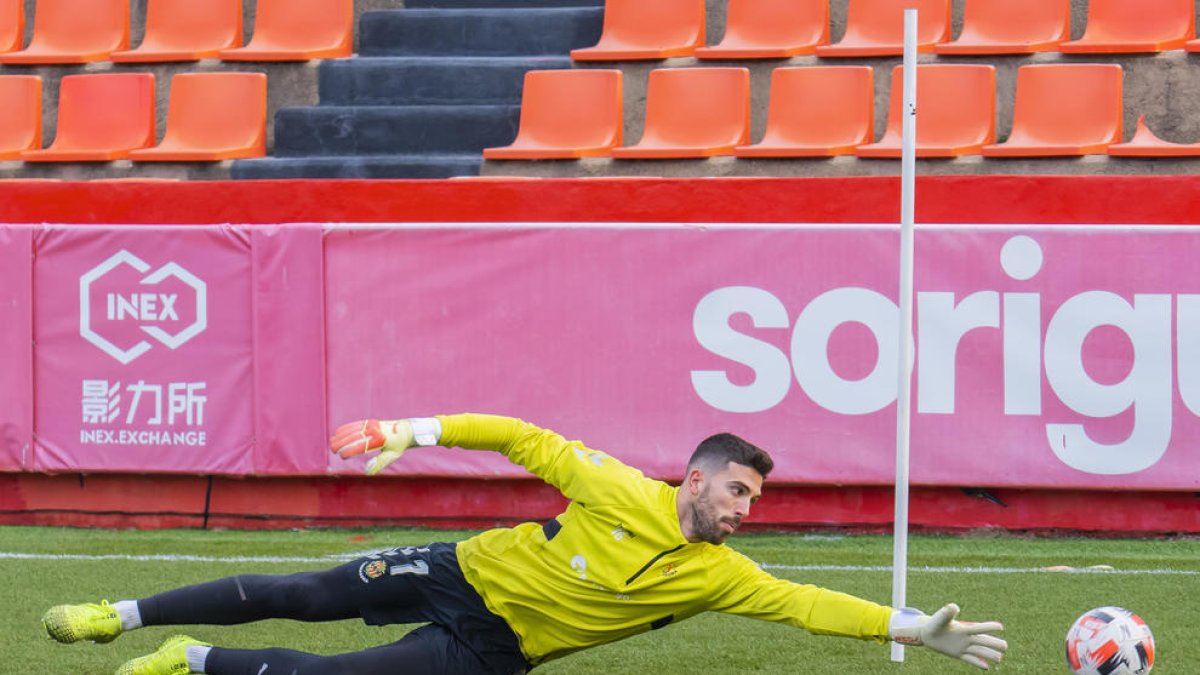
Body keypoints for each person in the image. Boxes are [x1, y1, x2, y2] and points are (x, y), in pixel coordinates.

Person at [42, 413, 1008, 674]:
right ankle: (115, 614)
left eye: (755, 497)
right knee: (304, 586)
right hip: (461, 568)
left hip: (491, 650)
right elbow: (520, 435)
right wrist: (407, 431)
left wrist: (913, 628)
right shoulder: (616, 486)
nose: (747, 507)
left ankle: (190, 656)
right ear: (697, 476)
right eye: (740, 489)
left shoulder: (724, 577)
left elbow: (809, 605)